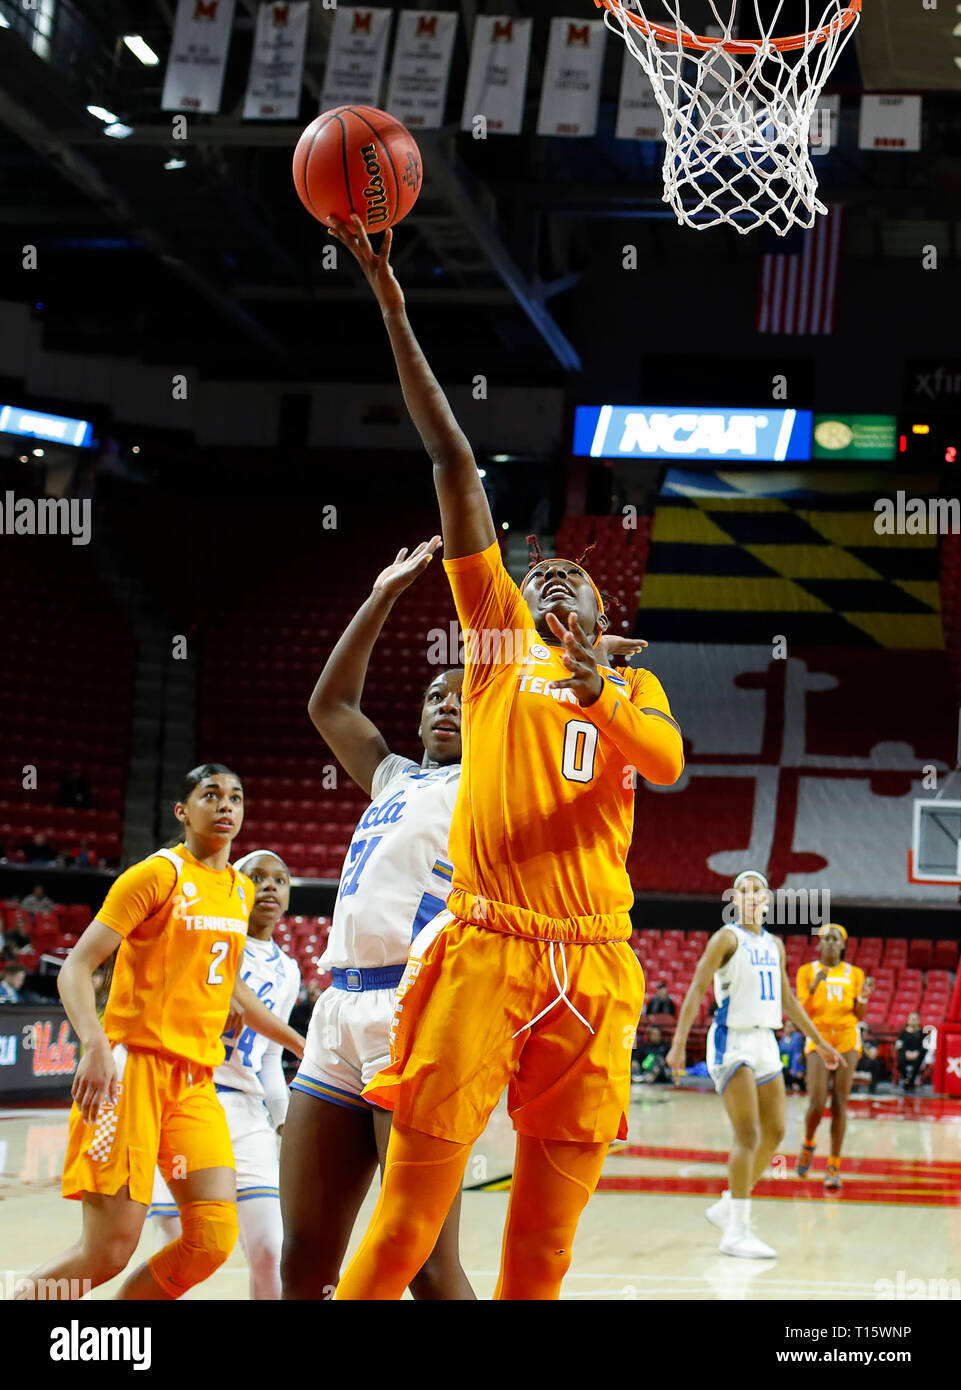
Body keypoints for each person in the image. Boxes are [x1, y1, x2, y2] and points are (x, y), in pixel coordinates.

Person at [327, 213, 683, 1303]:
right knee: (401, 1232)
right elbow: (452, 458)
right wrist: (391, 304)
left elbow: (664, 766)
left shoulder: (632, 687)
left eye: (581, 579)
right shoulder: (492, 650)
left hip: (594, 961)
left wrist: (599, 694)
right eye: (544, 575)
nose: (560, 578)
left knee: (542, 1255)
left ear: (607, 611)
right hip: (487, 951)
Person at [15, 764, 305, 1302]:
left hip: (194, 1081)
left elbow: (235, 989)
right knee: (106, 1251)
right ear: (182, 810)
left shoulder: (239, 892)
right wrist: (96, 1045)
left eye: (236, 797)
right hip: (131, 1073)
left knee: (213, 1238)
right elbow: (75, 968)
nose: (225, 806)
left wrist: (298, 1045)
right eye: (210, 795)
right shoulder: (157, 874)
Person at [281, 539, 475, 1301]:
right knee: (304, 1259)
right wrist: (381, 596)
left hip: (418, 1010)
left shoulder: (494, 782)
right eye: (434, 694)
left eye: (464, 695)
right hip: (337, 1009)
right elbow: (328, 706)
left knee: (424, 1263)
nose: (445, 703)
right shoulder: (393, 776)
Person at [148, 849, 302, 1300]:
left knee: (271, 1251)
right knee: (178, 1241)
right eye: (258, 877)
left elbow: (271, 1061)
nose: (271, 886)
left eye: (281, 880)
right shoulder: (206, 939)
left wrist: (284, 1122)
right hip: (191, 1096)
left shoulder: (288, 971)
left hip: (247, 1111)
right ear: (238, 886)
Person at [667, 871, 844, 1258]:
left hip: (766, 1039)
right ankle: (736, 1232)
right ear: (736, 899)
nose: (750, 896)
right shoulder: (726, 938)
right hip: (733, 1040)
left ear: (766, 900)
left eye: (756, 890)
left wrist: (821, 1043)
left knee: (777, 1131)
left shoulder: (775, 945)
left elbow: (789, 1001)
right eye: (742, 890)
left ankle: (731, 1203)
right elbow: (697, 987)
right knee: (746, 1134)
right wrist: (679, 1044)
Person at [795, 924, 872, 1190]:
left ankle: (833, 1165)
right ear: (818, 944)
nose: (829, 942)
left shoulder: (855, 973)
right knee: (816, 1101)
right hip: (818, 1036)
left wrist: (863, 997)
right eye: (824, 938)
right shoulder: (807, 972)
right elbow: (801, 1011)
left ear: (843, 944)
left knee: (840, 1101)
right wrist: (815, 986)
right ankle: (808, 1143)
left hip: (847, 1037)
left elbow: (859, 1015)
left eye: (834, 939)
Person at [896, 1011, 927, 1092]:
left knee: (918, 1061)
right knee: (901, 1057)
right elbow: (899, 1045)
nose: (913, 1020)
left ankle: (912, 1082)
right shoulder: (903, 1033)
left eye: (915, 1019)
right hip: (906, 1055)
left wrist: (917, 1053)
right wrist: (906, 1052)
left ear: (919, 1020)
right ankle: (905, 1078)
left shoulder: (923, 1034)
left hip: (918, 1056)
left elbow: (925, 1047)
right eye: (911, 1019)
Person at [779, 1019, 805, 1092]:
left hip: (795, 1069)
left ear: (794, 1028)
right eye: (786, 1026)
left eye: (790, 1026)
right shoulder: (783, 1039)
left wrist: (796, 1070)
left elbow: (797, 1055)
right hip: (785, 1067)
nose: (787, 1029)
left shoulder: (797, 1037)